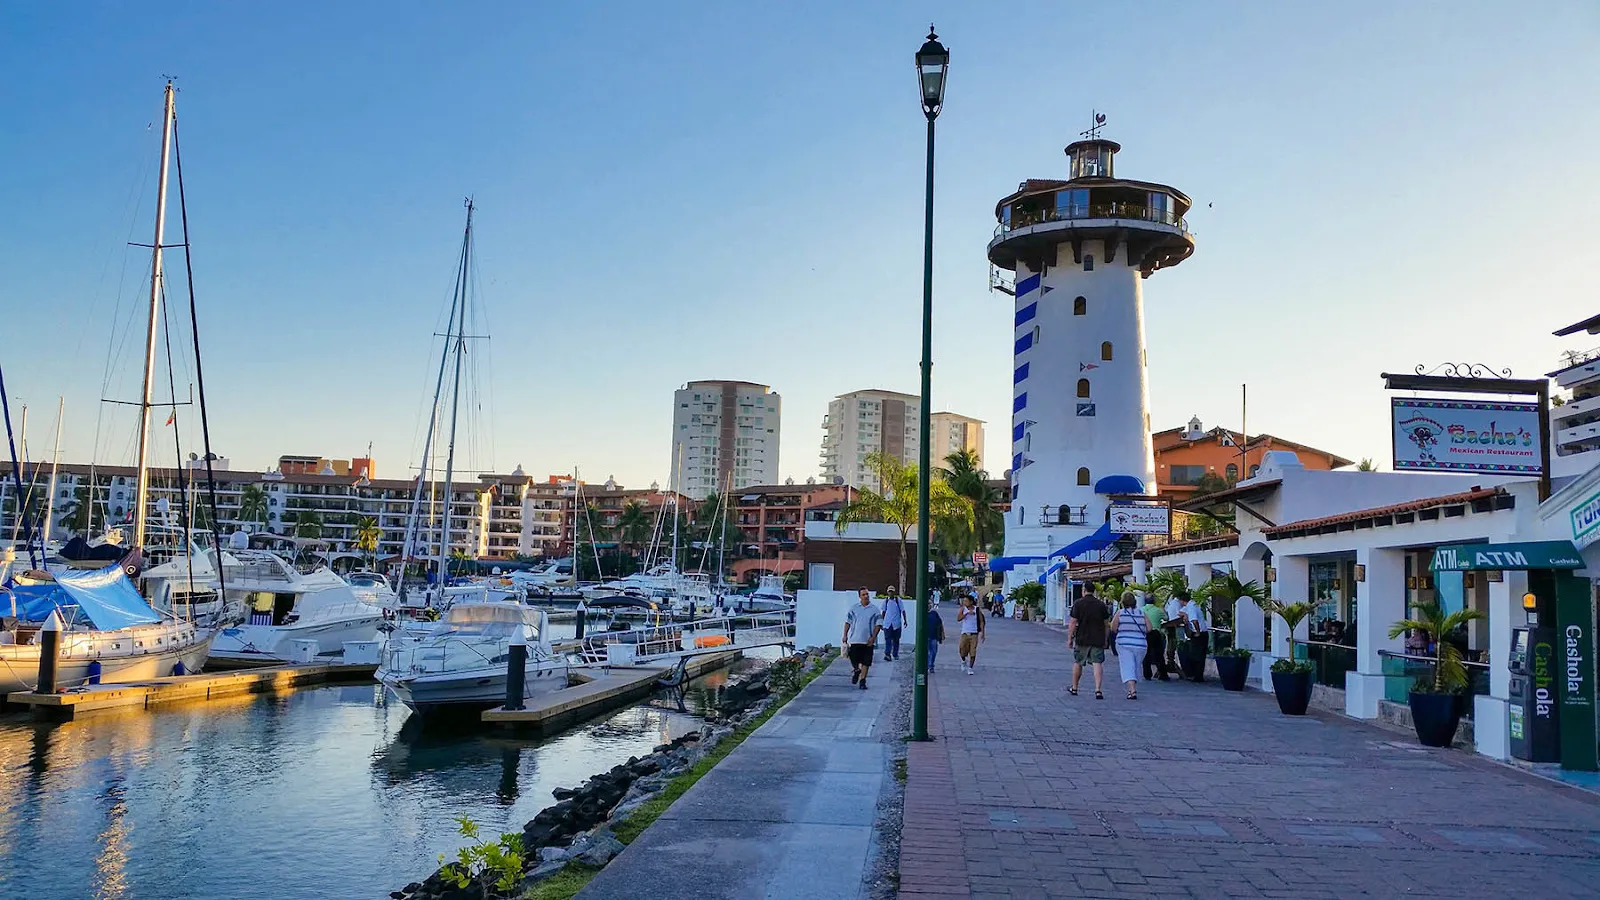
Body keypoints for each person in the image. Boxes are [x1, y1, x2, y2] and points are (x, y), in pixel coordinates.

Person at [1068, 584, 1111, 699]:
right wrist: (1106, 639)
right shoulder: (1101, 605)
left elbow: (1072, 622)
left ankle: (1075, 687)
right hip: (1098, 638)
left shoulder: (1078, 603)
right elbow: (1106, 624)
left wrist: (1070, 638)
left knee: (1078, 662)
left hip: (1082, 638)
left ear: (1084, 590)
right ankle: (1098, 689)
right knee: (1097, 663)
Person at [1110, 590, 1150, 699]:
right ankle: (1132, 688)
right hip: (1141, 644)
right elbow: (1149, 628)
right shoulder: (1142, 613)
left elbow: (1113, 628)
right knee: (1135, 666)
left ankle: (1132, 691)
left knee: (1128, 665)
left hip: (1124, 643)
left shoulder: (1120, 613)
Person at [843, 588, 884, 690]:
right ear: (859, 596)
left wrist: (873, 637)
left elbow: (878, 624)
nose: (866, 596)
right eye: (863, 594)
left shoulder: (874, 609)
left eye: (867, 594)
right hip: (855, 639)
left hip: (868, 640)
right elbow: (848, 622)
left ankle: (862, 681)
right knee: (853, 657)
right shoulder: (854, 608)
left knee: (866, 662)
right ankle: (856, 670)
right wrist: (845, 635)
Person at [1180, 592, 1210, 682]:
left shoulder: (1191, 607)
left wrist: (1197, 632)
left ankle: (1197, 676)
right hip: (1203, 632)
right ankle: (1198, 675)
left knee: (1196, 655)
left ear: (1182, 601)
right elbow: (1180, 612)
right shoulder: (1192, 604)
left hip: (1199, 633)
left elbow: (1194, 621)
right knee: (1200, 655)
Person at [1141, 593, 1170, 681]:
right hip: (1155, 632)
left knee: (1146, 655)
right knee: (1158, 655)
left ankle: (1147, 674)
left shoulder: (1141, 610)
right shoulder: (1158, 610)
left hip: (1145, 633)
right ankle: (1163, 674)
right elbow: (1166, 618)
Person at [957, 593, 985, 675]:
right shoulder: (963, 609)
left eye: (966, 601)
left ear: (971, 602)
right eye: (964, 601)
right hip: (965, 633)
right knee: (961, 648)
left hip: (974, 634)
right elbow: (958, 619)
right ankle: (963, 660)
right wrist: (966, 613)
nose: (964, 602)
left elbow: (981, 621)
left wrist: (983, 633)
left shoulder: (977, 610)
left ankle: (970, 667)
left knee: (973, 651)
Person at [881, 586, 905, 662]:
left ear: (894, 592)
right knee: (888, 639)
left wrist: (905, 620)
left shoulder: (898, 600)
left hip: (896, 623)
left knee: (896, 640)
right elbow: (883, 612)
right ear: (887, 592)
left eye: (892, 591)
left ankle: (895, 654)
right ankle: (887, 654)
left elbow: (903, 610)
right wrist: (881, 622)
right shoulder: (886, 601)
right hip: (887, 624)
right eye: (889, 591)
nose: (890, 593)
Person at [926, 600, 946, 672]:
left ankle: (931, 665)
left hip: (934, 636)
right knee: (928, 652)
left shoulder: (934, 613)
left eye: (929, 604)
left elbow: (940, 624)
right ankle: (929, 666)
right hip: (926, 636)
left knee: (934, 652)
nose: (928, 605)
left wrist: (942, 634)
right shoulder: (922, 614)